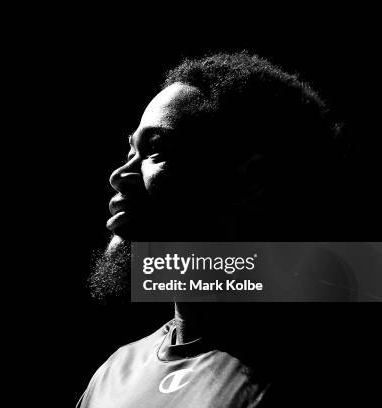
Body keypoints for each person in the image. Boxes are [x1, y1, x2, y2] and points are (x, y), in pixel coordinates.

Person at [79, 52, 348, 407]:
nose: (119, 175)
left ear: (250, 179)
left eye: (155, 148)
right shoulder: (113, 372)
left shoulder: (322, 370)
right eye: (130, 149)